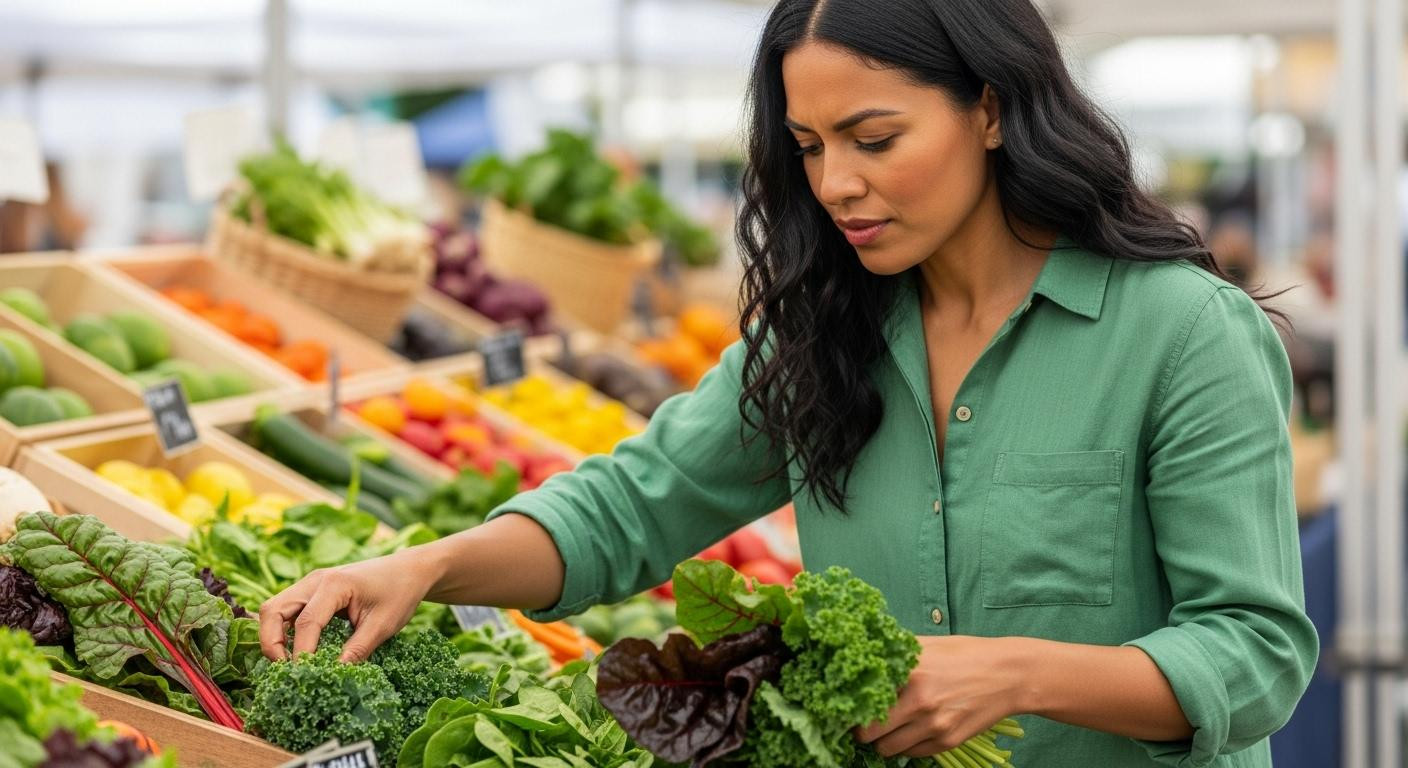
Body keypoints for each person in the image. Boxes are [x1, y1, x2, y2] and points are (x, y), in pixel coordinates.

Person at [258, 1, 1318, 765]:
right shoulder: (826, 334)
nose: (835, 183)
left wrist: (1013, 674)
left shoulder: (1183, 336)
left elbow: (1256, 650)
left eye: (874, 138)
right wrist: (427, 565)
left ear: (991, 110)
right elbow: (631, 506)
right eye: (808, 147)